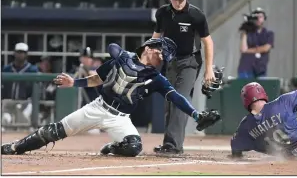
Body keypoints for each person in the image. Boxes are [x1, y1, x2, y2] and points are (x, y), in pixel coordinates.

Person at [1, 38, 221, 156]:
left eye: (166, 57)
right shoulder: (122, 59)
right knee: (54, 131)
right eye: (162, 52)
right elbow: (98, 78)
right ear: (151, 48)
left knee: (133, 146)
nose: (163, 58)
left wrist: (195, 113)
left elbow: (176, 97)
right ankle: (15, 147)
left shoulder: (157, 78)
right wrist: (73, 83)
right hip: (98, 107)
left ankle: (111, 148)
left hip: (120, 117)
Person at [152, 0, 216, 154]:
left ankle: (172, 145)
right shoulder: (162, 13)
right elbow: (157, 36)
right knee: (169, 102)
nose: (178, 2)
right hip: (170, 62)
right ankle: (171, 144)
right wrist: (151, 54)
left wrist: (209, 69)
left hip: (190, 62)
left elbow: (208, 41)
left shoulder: (196, 15)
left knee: (179, 99)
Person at [237, 7, 274, 78]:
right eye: (256, 17)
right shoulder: (248, 33)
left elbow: (266, 48)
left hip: (260, 69)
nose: (258, 19)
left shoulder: (269, 33)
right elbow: (243, 49)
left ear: (264, 18)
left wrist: (248, 51)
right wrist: (245, 31)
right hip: (246, 68)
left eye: (260, 17)